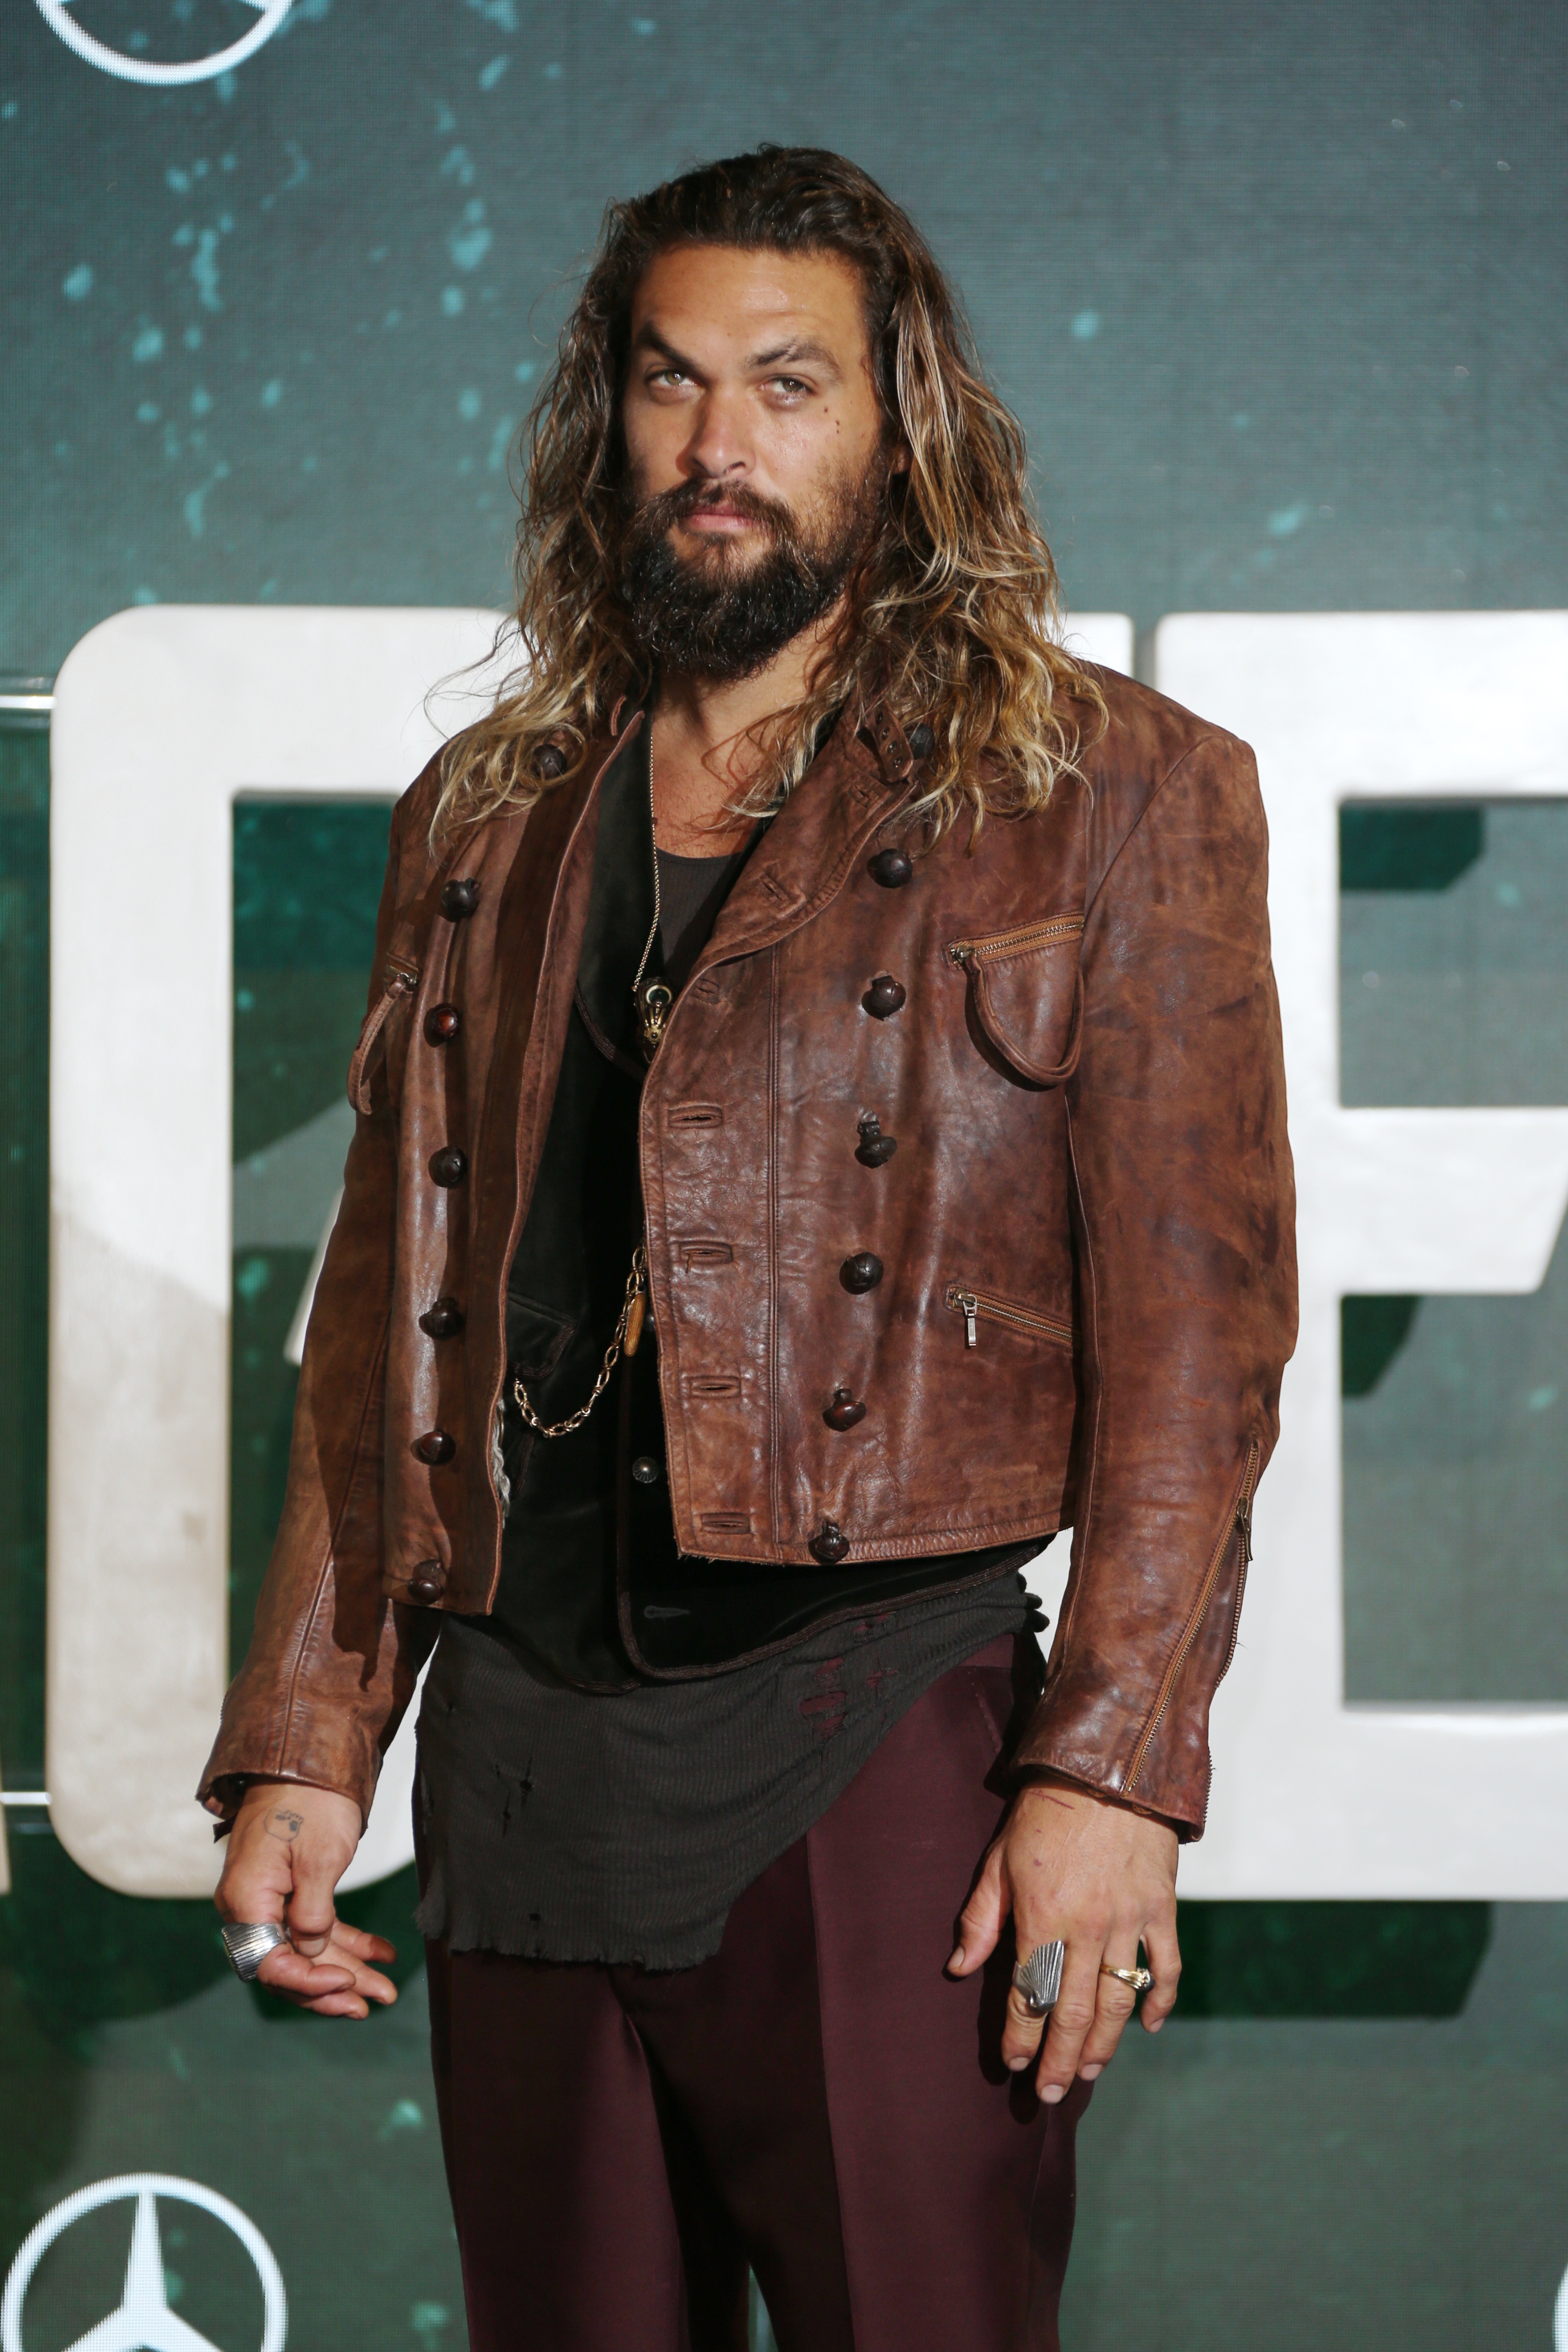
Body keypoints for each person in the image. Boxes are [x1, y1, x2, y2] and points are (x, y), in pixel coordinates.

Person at [202, 146, 1296, 2351]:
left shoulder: (1112, 789)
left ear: (901, 426)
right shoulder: (484, 817)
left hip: (877, 1741)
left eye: (788, 385)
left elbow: (1201, 1342)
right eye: (671, 380)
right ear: (606, 417)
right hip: (521, 1750)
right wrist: (311, 1737)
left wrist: (1111, 1775)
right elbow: (388, 1313)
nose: (722, 444)